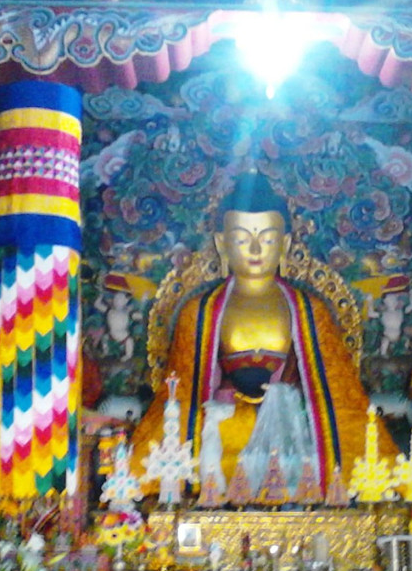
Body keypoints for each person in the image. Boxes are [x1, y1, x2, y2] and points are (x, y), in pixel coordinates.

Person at [129, 171, 397, 497]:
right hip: (227, 417)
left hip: (287, 418)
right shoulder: (198, 311)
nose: (255, 248)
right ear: (221, 244)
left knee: (302, 451)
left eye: (267, 239)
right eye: (242, 239)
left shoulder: (309, 309)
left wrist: (290, 406)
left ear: (284, 244)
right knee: (217, 444)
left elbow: (338, 394)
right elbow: (182, 393)